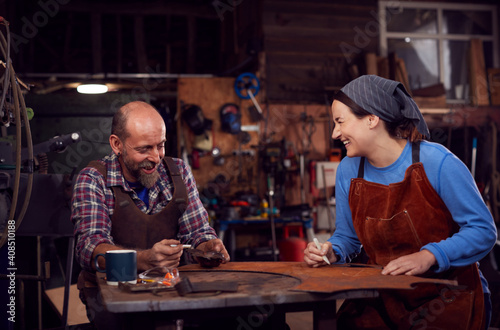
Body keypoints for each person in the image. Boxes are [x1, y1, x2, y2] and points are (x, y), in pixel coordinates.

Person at [304, 75, 497, 329]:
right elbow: (348, 237)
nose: (335, 133)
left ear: (372, 119)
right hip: (384, 296)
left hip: (449, 298)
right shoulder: (349, 170)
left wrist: (430, 255)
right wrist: (332, 250)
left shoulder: (436, 161)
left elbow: (483, 231)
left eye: (340, 122)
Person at [71, 101, 229, 328]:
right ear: (117, 144)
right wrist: (144, 260)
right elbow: (89, 249)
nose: (156, 157)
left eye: (161, 145)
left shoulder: (178, 172)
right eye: (144, 149)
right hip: (110, 294)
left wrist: (207, 245)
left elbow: (197, 231)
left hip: (168, 287)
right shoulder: (94, 179)